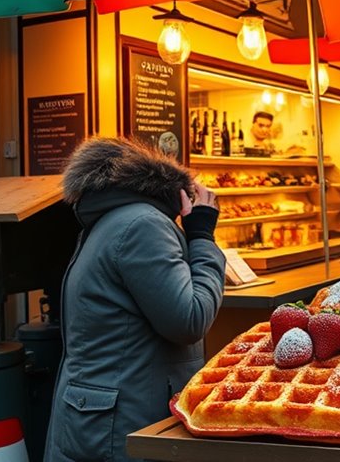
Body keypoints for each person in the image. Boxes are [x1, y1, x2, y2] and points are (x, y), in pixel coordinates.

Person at [45, 137, 225, 462]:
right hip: (125, 418)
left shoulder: (109, 222)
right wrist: (202, 236)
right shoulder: (143, 225)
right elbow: (190, 319)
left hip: (100, 413)